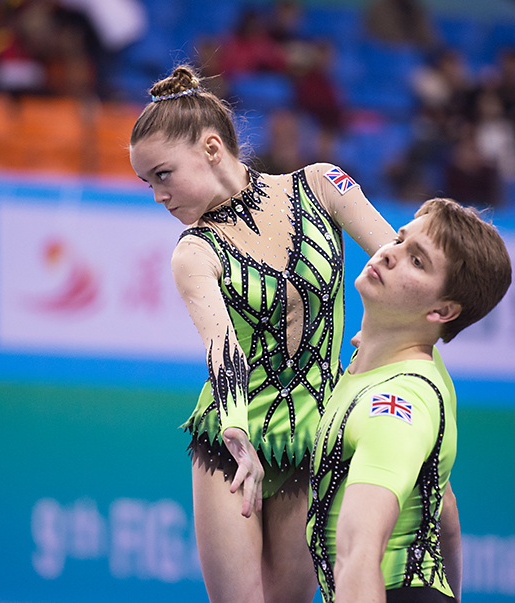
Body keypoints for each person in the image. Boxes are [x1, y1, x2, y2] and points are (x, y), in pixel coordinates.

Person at [128, 64, 398, 603]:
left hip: (312, 443)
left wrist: (385, 340)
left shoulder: (321, 187)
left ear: (210, 148)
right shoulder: (194, 251)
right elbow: (221, 345)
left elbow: (399, 266)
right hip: (232, 447)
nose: (157, 196)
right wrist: (235, 431)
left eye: (162, 174)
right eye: (146, 182)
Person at [307, 197, 512, 603]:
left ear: (441, 310)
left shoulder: (395, 405)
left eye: (417, 261)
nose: (388, 255)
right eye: (401, 240)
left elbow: (359, 554)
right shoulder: (418, 365)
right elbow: (445, 512)